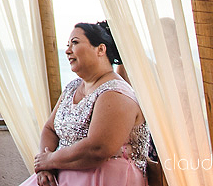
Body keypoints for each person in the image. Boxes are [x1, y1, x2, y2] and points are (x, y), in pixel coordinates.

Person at [24, 21, 151, 186]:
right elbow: (50, 129)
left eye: (75, 43)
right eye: (67, 45)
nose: (68, 51)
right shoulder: (72, 88)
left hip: (105, 178)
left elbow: (98, 149)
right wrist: (44, 168)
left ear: (100, 49)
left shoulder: (116, 93)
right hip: (61, 174)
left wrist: (50, 160)